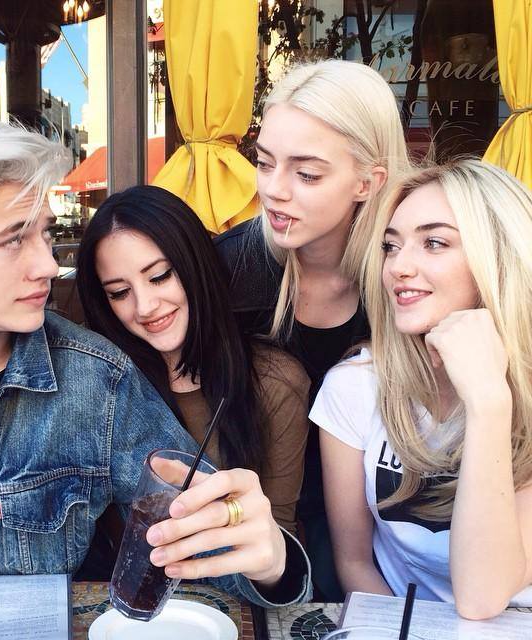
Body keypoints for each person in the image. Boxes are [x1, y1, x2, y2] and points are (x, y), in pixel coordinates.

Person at [0, 119, 311, 607]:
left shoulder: (98, 381)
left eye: (45, 234)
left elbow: (207, 547)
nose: (49, 265)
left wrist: (270, 559)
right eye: (14, 239)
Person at [215, 59, 410, 600]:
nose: (274, 190)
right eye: (264, 163)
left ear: (368, 182)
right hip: (259, 533)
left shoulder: (407, 280)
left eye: (306, 174)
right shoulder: (229, 271)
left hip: (390, 535)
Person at [311, 159, 532, 618]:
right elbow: (354, 563)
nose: (399, 267)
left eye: (434, 243)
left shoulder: (515, 398)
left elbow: (482, 596)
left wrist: (489, 401)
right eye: (391, 246)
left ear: (499, 258)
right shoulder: (354, 387)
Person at [75, 184, 310, 535]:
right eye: (119, 293)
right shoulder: (96, 385)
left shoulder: (275, 382)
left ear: (195, 264)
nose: (145, 306)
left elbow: (281, 537)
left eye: (159, 277)